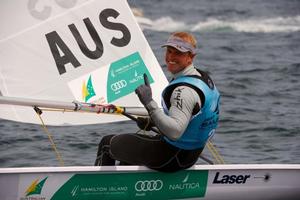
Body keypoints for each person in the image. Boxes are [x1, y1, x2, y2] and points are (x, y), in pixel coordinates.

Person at [94, 32, 220, 172]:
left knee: (107, 143)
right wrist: (153, 121)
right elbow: (190, 117)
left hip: (170, 158)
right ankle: (123, 188)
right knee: (128, 153)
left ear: (190, 57)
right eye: (169, 51)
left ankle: (93, 189)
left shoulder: (183, 91)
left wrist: (149, 102)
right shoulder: (203, 80)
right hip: (189, 156)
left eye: (178, 53)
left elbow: (174, 132)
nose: (171, 57)